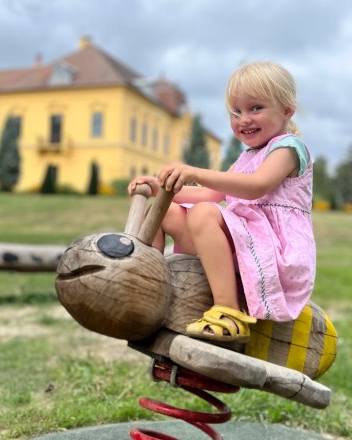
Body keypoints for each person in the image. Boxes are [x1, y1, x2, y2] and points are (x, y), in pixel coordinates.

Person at [127, 61, 315, 343]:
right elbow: (210, 194)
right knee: (165, 212)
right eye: (236, 112)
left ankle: (228, 312)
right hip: (245, 240)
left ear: (287, 110)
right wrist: (161, 189)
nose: (244, 119)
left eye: (255, 108)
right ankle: (149, 283)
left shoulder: (288, 148)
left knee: (204, 214)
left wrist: (195, 172)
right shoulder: (246, 157)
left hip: (274, 250)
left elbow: (255, 187)